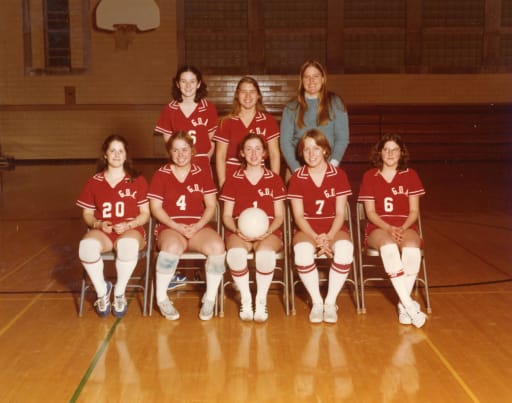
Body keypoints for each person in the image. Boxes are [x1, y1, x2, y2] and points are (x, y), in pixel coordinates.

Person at [148, 131, 225, 321]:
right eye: (175, 150)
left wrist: (198, 225)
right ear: (169, 152)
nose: (180, 154)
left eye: (185, 149)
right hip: (171, 227)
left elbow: (210, 206)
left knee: (217, 248)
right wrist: (176, 226)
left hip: (197, 227)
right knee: (171, 248)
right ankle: (161, 298)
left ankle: (210, 298)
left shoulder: (203, 174)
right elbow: (156, 208)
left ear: (192, 151)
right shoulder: (161, 174)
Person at [357, 133, 427, 328]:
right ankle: (409, 305)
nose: (390, 153)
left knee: (412, 248)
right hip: (378, 226)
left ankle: (402, 305)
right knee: (388, 247)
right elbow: (369, 212)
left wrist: (402, 227)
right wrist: (388, 228)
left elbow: (414, 211)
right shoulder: (370, 176)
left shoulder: (410, 175)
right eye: (386, 149)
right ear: (380, 152)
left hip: (405, 225)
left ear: (401, 153)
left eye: (394, 150)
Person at [77, 134, 150, 318]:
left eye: (121, 151)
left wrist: (130, 224)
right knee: (86, 248)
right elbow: (87, 214)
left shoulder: (137, 180)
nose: (117, 155)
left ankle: (119, 293)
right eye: (112, 151)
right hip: (105, 231)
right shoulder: (94, 181)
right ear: (105, 155)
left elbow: (145, 214)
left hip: (131, 229)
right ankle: (102, 292)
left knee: (127, 246)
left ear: (126, 156)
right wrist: (98, 223)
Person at [287, 129, 354, 324]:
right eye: (306, 149)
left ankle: (330, 303)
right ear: (301, 153)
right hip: (307, 229)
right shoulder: (297, 176)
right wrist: (316, 237)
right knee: (302, 251)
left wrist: (329, 236)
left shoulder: (339, 174)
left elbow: (341, 213)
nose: (311, 153)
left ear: (325, 150)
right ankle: (317, 302)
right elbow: (298, 215)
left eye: (316, 148)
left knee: (345, 248)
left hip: (334, 228)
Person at [220, 133, 286, 322]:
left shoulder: (274, 179)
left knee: (265, 254)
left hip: (269, 231)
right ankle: (246, 299)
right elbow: (226, 215)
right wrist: (236, 230)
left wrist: (269, 231)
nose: (254, 153)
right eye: (248, 149)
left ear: (265, 153)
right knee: (235, 254)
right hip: (239, 231)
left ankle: (261, 299)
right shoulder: (233, 179)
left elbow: (280, 215)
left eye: (258, 148)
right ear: (242, 153)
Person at [280, 60, 349, 176]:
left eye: (315, 76)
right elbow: (285, 142)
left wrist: (331, 166)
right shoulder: (291, 107)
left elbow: (342, 139)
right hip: (298, 169)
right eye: (307, 77)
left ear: (323, 79)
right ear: (302, 81)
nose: (311, 81)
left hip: (328, 168)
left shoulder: (335, 103)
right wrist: (297, 170)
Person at [213, 76, 280, 188]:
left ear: (258, 95)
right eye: (243, 92)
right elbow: (220, 156)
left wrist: (275, 183)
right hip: (232, 176)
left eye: (252, 92)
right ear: (237, 95)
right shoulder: (226, 122)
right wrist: (222, 184)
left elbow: (274, 154)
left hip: (259, 174)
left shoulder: (268, 121)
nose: (248, 96)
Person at [154, 65, 218, 176]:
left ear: (198, 84)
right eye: (183, 81)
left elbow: (212, 141)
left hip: (202, 164)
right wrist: (179, 159)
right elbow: (169, 144)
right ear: (177, 84)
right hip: (178, 163)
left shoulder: (208, 108)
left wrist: (205, 159)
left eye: (192, 81)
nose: (188, 86)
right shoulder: (169, 109)